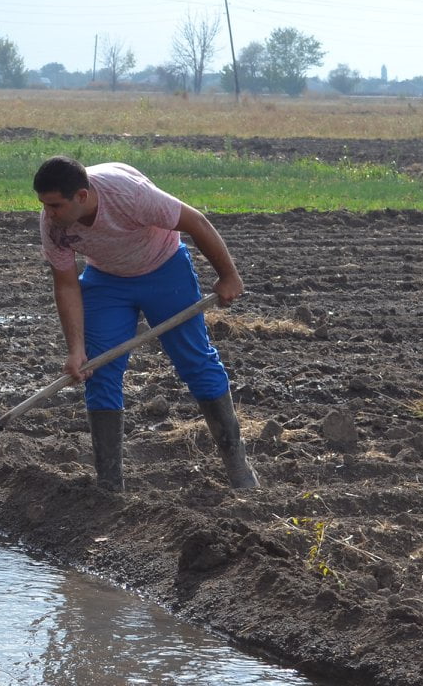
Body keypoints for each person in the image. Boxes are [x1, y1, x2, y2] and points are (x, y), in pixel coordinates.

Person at [32, 154, 258, 493]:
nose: (48, 214)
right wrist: (76, 349)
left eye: (55, 206)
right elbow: (66, 284)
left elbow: (197, 222)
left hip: (164, 270)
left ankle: (240, 474)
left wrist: (228, 276)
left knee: (197, 363)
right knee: (98, 370)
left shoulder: (128, 194)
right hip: (106, 281)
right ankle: (109, 488)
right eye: (44, 206)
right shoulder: (53, 226)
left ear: (81, 196)